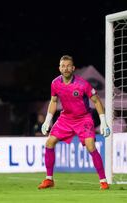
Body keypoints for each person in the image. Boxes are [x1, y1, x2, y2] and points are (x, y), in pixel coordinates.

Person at [38, 55, 110, 190]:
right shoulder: (55, 83)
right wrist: (47, 121)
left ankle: (103, 181)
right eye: (63, 66)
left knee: (90, 145)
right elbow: (53, 101)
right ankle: (49, 179)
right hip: (66, 118)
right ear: (59, 68)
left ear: (73, 68)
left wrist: (104, 122)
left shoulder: (83, 84)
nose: (65, 68)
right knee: (49, 142)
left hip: (83, 118)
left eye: (68, 66)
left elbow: (96, 101)